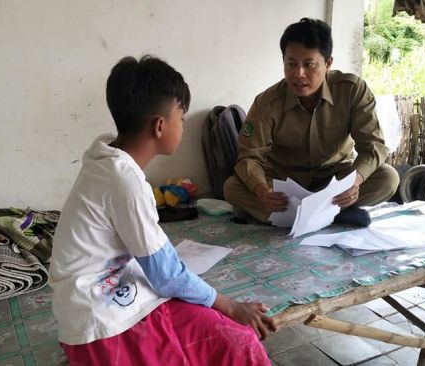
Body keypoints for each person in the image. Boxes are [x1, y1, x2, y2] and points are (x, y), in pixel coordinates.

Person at [49, 55, 276, 366]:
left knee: (231, 339)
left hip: (117, 293)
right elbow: (167, 275)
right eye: (180, 118)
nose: (182, 127)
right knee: (233, 336)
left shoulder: (106, 155)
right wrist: (231, 305)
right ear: (160, 126)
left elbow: (160, 267)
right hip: (101, 320)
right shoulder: (124, 180)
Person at [224, 18, 399, 226]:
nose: (299, 74)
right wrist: (262, 190)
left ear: (328, 63)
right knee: (232, 187)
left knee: (388, 178)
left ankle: (289, 218)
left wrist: (354, 182)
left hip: (334, 180)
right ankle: (328, 215)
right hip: (285, 182)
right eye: (291, 64)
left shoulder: (351, 91)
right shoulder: (267, 102)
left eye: (309, 64)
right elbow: (249, 156)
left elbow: (373, 146)